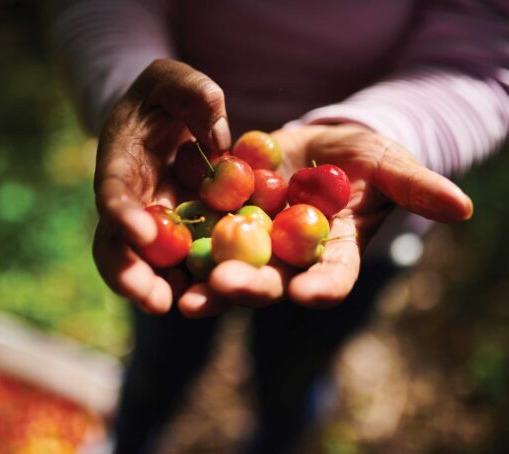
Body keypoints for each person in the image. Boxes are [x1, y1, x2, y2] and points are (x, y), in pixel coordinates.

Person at [48, 1, 509, 452]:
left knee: (290, 386)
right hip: (172, 179)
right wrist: (133, 93)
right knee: (157, 368)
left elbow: (488, 47)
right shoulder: (183, 215)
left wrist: (385, 130)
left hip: (364, 225)